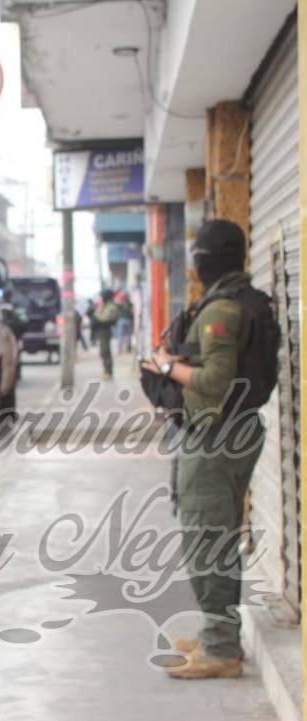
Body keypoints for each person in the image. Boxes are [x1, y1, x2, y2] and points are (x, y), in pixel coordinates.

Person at [141, 219, 276, 679]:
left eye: (198, 255)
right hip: (227, 432)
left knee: (208, 542)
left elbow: (215, 382)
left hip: (218, 435)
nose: (195, 262)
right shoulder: (235, 300)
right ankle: (215, 636)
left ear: (206, 260)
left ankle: (220, 649)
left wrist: (165, 365)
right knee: (212, 536)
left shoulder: (223, 311)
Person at [92, 289, 118, 379]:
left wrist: (97, 312)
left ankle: (108, 371)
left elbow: (104, 318)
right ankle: (106, 370)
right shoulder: (106, 305)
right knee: (103, 351)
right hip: (102, 331)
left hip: (105, 331)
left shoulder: (110, 306)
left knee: (105, 351)